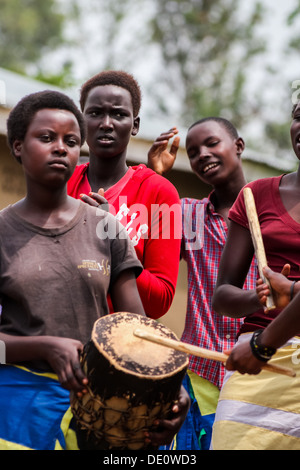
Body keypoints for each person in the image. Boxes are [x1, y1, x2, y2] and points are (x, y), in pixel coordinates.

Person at [0, 90, 182, 451]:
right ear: (18, 146)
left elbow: (140, 333)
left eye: (70, 141)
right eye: (46, 138)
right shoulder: (3, 232)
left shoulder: (107, 228)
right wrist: (43, 347)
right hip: (17, 409)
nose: (60, 148)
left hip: (101, 413)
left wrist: (171, 394)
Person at [147, 118, 258, 450]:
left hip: (261, 370)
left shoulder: (271, 209)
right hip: (199, 374)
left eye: (212, 143)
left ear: (238, 145)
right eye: (193, 152)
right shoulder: (187, 215)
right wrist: (155, 176)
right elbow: (143, 238)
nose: (203, 155)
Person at [211, 99, 300, 450]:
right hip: (255, 368)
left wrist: (291, 292)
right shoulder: (257, 195)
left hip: (261, 349)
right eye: (298, 116)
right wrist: (260, 297)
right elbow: (222, 296)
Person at [67, 70, 182, 320]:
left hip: (121, 344)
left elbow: (160, 301)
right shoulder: (63, 183)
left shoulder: (162, 193)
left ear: (135, 125)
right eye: (95, 113)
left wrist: (113, 238)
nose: (106, 123)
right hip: (59, 336)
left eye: (119, 114)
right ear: (81, 121)